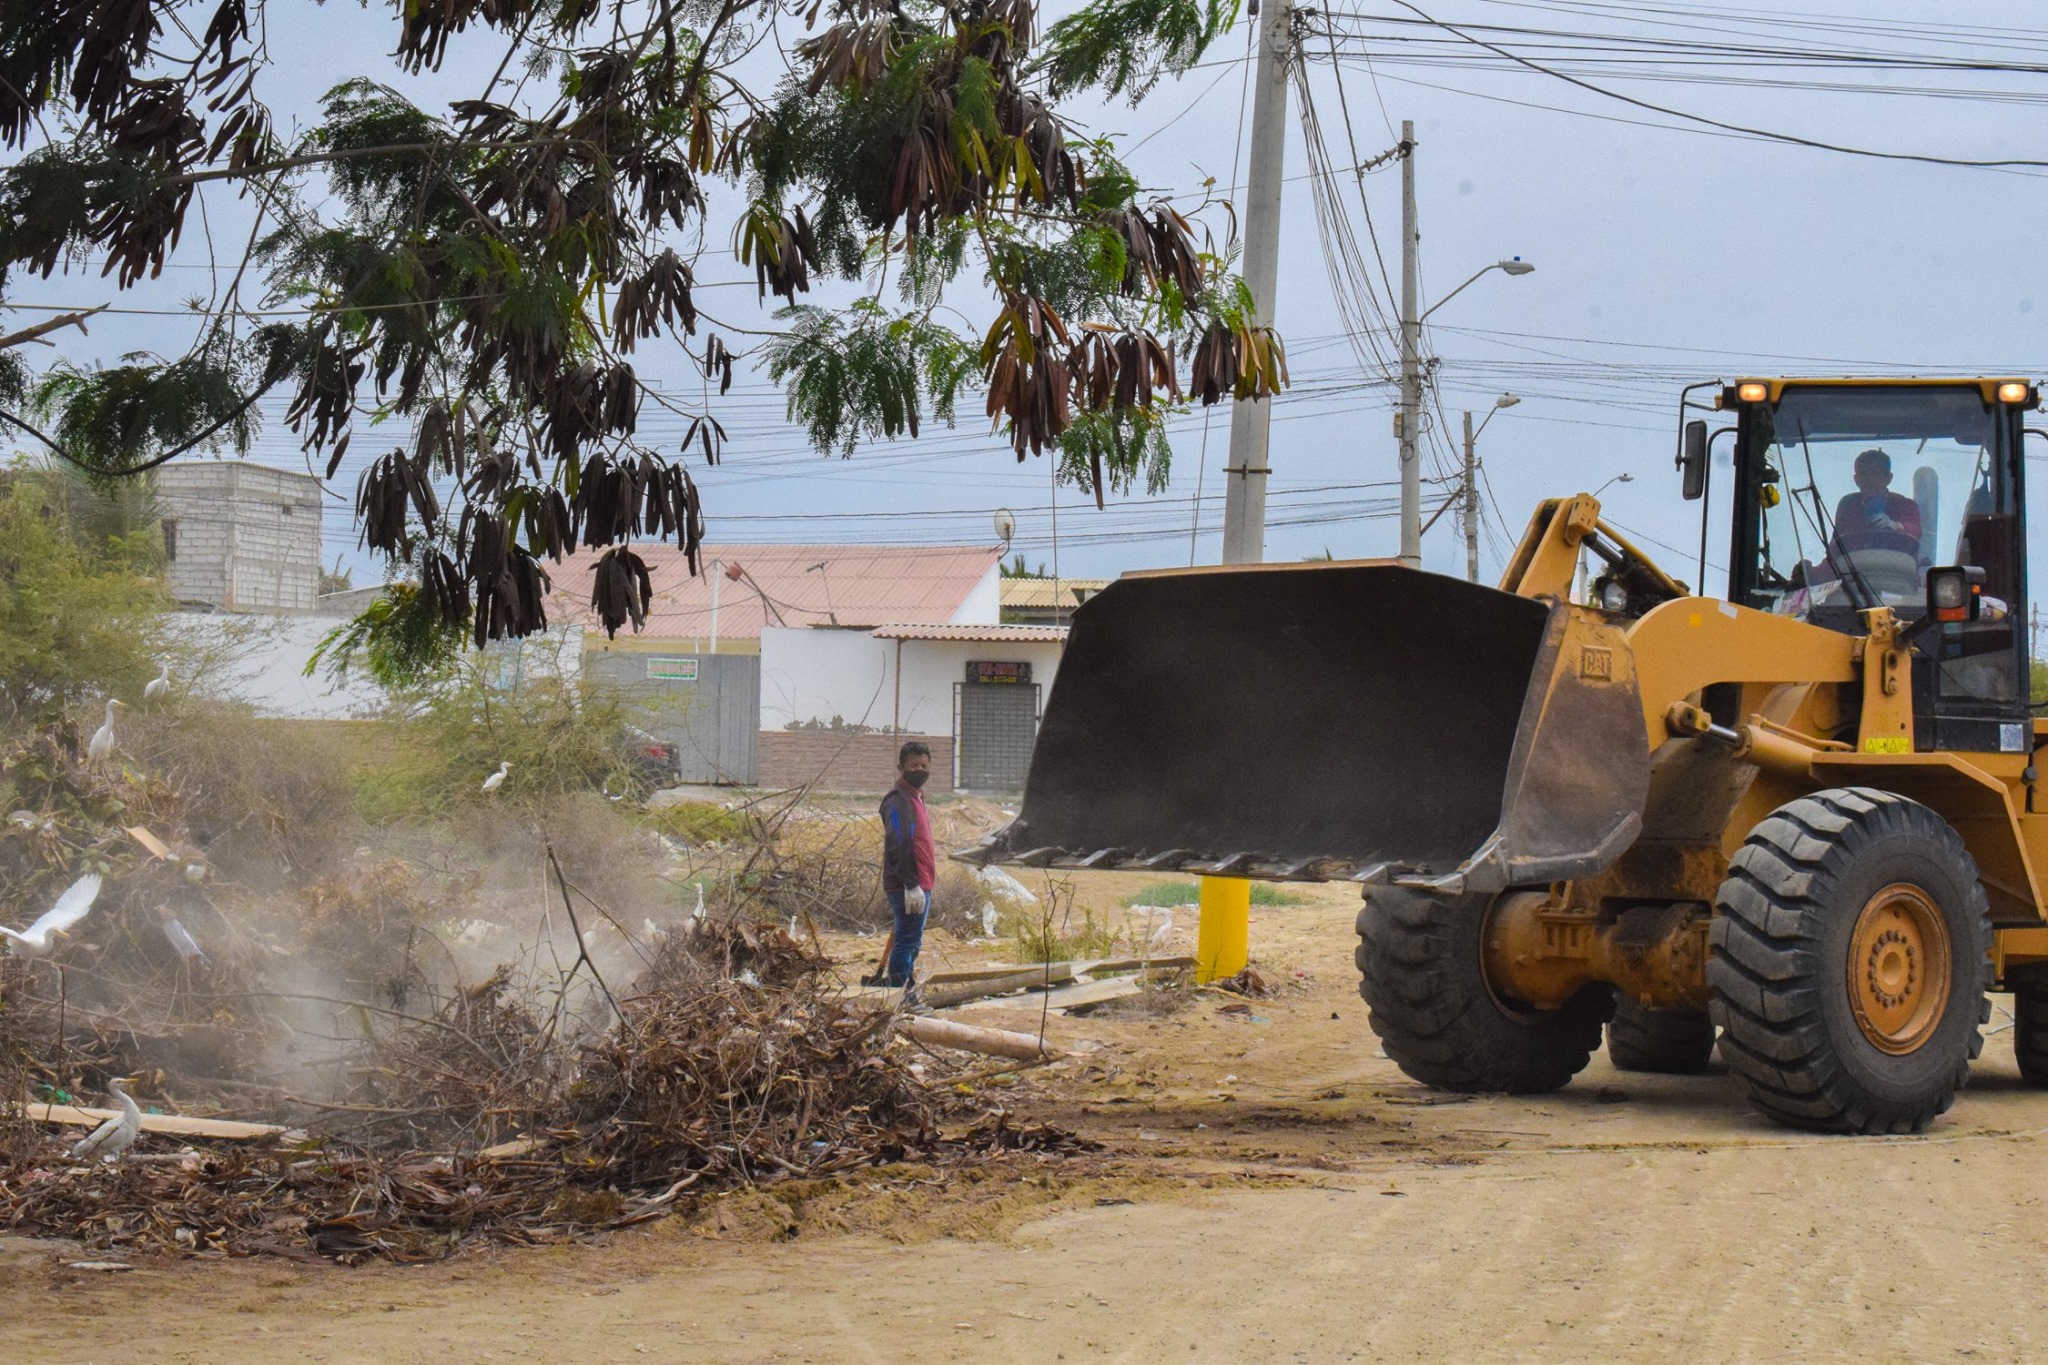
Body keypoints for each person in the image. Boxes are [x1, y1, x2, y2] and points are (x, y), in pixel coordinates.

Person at [878, 741, 935, 1007]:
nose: (920, 770)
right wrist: (911, 884)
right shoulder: (898, 801)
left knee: (913, 940)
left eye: (924, 765)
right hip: (907, 884)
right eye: (914, 766)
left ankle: (906, 989)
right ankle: (899, 996)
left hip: (922, 881)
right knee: (906, 940)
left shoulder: (917, 798)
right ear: (901, 767)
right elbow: (899, 844)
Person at [1830, 448, 1923, 560]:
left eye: (1875, 473)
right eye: (1863, 474)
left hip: (1897, 568)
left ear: (1888, 478)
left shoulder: (1905, 505)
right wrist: (1813, 570)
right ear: (1856, 479)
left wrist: (1896, 526)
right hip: (1854, 569)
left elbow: (1915, 530)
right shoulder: (1848, 506)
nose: (1869, 479)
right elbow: (1835, 550)